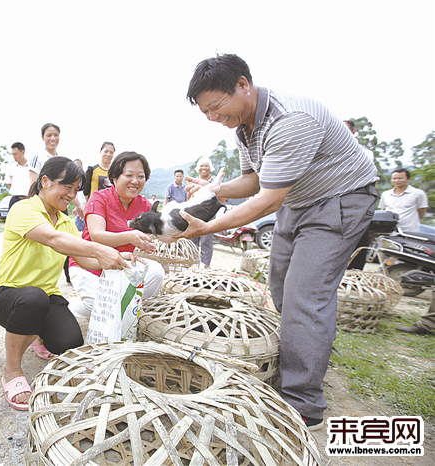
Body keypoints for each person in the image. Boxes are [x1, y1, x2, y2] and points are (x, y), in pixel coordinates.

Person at [179, 54, 378, 431]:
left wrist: (208, 228)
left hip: (340, 199)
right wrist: (215, 190)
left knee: (307, 295)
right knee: (282, 287)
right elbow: (253, 182)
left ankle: (304, 403)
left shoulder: (291, 120)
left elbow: (266, 199)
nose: (213, 117)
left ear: (242, 84)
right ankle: (302, 362)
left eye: (216, 106)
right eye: (205, 111)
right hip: (298, 200)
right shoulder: (244, 127)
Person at [0, 157, 134, 410]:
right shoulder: (24, 209)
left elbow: (85, 260)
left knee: (68, 343)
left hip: (45, 297)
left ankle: (34, 334)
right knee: (33, 300)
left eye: (77, 189)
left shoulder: (66, 222)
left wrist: (117, 257)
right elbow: (53, 239)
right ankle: (11, 369)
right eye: (68, 186)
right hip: (8, 295)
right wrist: (100, 249)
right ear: (45, 181)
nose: (72, 194)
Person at [67, 151, 165, 319]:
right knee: (103, 307)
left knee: (156, 272)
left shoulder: (144, 204)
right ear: (114, 177)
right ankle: (67, 308)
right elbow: (97, 234)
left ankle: (126, 310)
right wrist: (130, 236)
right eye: (129, 175)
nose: (135, 181)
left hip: (121, 264)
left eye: (141, 176)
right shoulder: (99, 198)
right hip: (90, 264)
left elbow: (164, 233)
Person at [28, 123, 85, 219]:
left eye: (56, 135)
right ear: (43, 137)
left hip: (60, 205)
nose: (53, 138)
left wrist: (78, 205)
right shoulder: (38, 157)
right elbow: (33, 183)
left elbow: (68, 187)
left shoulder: (63, 160)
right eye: (49, 135)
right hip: (45, 206)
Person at [188, 158, 217, 267]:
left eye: (206, 166)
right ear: (197, 168)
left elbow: (220, 195)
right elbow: (189, 197)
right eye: (201, 166)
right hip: (195, 213)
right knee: (193, 239)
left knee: (206, 240)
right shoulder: (194, 180)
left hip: (209, 214)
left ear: (210, 168)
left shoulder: (214, 180)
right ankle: (192, 264)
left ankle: (205, 265)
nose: (203, 168)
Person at [379, 168, 428, 232]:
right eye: (394, 178)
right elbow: (383, 210)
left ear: (408, 179)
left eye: (400, 178)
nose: (397, 180)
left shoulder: (418, 193)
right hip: (389, 231)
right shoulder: (386, 194)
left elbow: (422, 211)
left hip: (410, 230)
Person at [6, 142, 31, 209]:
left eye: (16, 154)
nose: (14, 157)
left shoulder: (31, 167)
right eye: (13, 154)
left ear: (23, 152)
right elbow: (9, 184)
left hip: (29, 199)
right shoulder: (11, 167)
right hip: (15, 200)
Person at [72, 159, 88, 231]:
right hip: (81, 207)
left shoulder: (86, 177)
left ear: (81, 164)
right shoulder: (77, 179)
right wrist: (77, 205)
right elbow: (78, 196)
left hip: (86, 207)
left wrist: (84, 205)